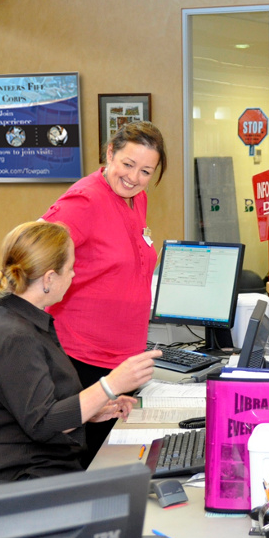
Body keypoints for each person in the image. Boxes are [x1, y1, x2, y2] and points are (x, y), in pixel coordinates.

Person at [0, 221, 160, 483]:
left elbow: (38, 406)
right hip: (24, 479)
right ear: (48, 278)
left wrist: (94, 409)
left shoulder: (18, 317)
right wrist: (110, 385)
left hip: (40, 463)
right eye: (70, 268)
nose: (74, 275)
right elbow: (43, 423)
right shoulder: (15, 337)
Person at [42, 121, 166, 467]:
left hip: (122, 358)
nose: (134, 177)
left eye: (145, 171)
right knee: (92, 465)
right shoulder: (84, 200)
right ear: (109, 153)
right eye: (127, 164)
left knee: (117, 460)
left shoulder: (136, 199)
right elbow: (35, 254)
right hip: (83, 357)